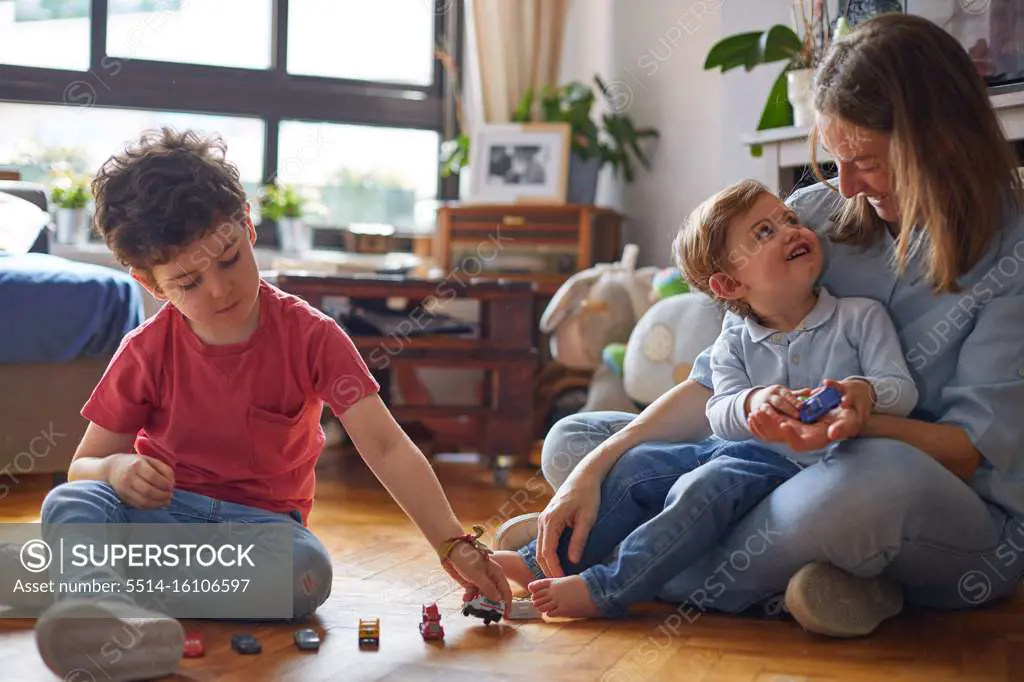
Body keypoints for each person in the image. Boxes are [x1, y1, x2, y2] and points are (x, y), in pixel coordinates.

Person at [495, 13, 1024, 637]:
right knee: (575, 439)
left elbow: (969, 451)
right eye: (834, 158)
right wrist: (592, 470)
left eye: (868, 162)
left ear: (938, 140)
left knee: (866, 482)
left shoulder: (1011, 249)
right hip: (765, 471)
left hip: (929, 499)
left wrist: (850, 420)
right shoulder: (813, 216)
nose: (846, 184)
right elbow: (710, 387)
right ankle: (827, 581)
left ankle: (617, 558)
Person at [7, 127, 512, 681]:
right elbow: (85, 466)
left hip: (262, 535)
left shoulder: (312, 337)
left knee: (307, 573)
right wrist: (118, 468)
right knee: (72, 502)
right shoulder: (146, 350)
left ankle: (97, 590)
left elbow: (387, 446)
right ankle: (98, 610)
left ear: (247, 224)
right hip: (161, 520)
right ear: (149, 284)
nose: (220, 290)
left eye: (229, 258)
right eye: (189, 282)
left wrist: (452, 543)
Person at [492, 179, 918, 621]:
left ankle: (606, 589)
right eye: (764, 233)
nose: (792, 230)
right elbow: (718, 409)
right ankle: (538, 562)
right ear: (730, 284)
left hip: (794, 469)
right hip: (727, 450)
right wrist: (751, 403)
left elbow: (901, 391)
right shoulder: (734, 337)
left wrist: (863, 392)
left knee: (702, 487)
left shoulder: (860, 317)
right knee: (638, 466)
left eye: (789, 219)